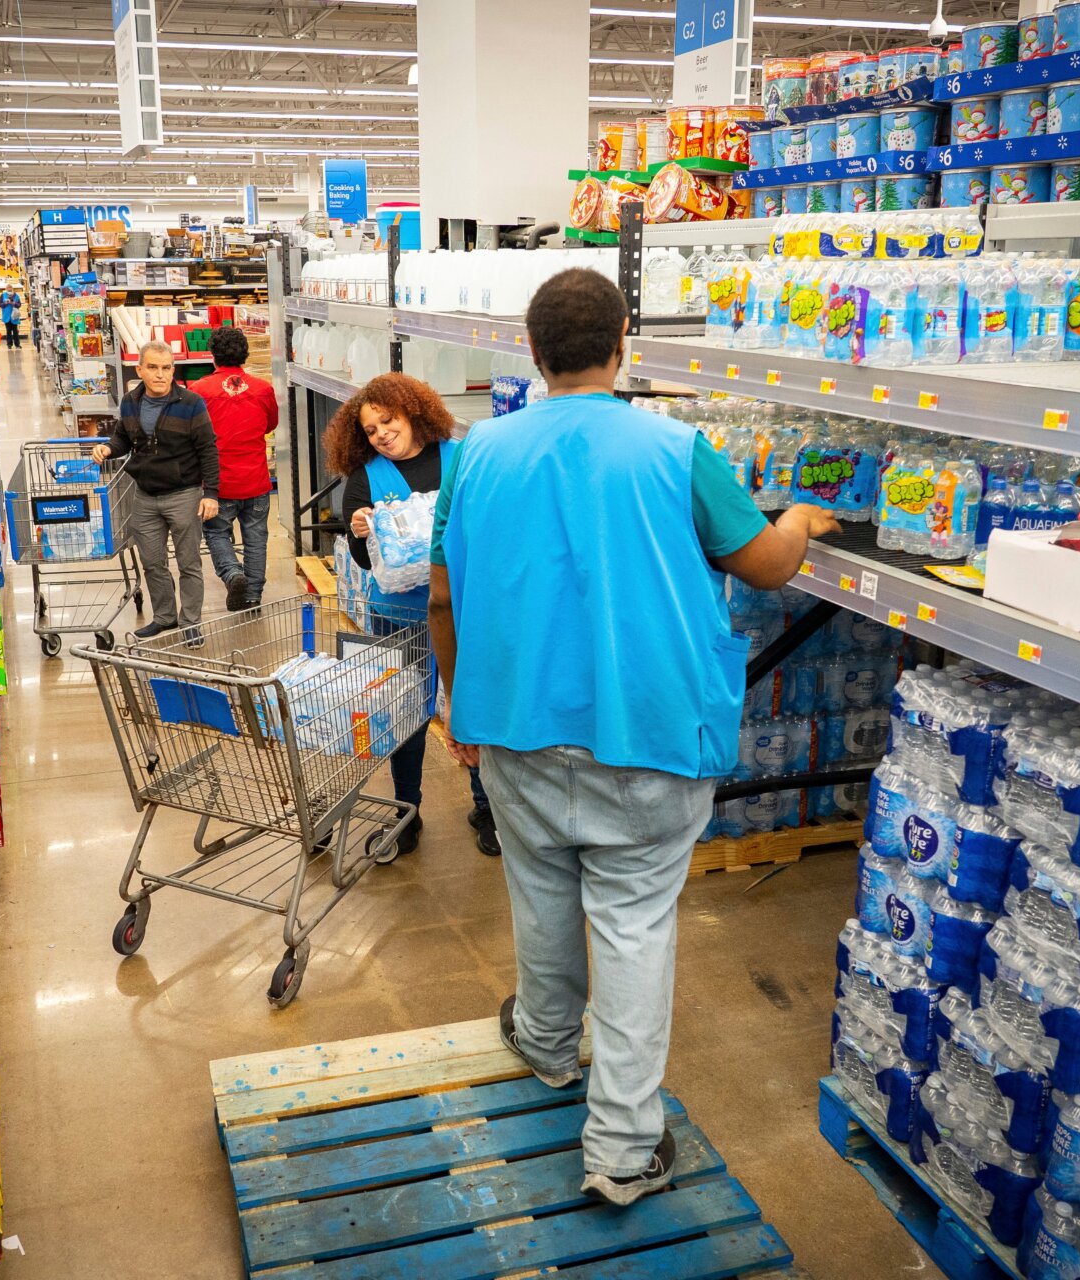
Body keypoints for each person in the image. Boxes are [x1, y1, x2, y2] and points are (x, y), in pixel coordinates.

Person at [429, 268, 840, 1205]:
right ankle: (619, 1149)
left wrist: (463, 704)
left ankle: (541, 1041)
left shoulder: (477, 454)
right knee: (634, 928)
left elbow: (445, 593)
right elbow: (768, 565)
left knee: (539, 891)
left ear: (531, 356)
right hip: (644, 733)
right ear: (625, 344)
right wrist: (803, 519)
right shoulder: (675, 447)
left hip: (518, 728)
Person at [327, 373, 499, 859]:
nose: (381, 433)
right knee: (406, 715)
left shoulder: (460, 457)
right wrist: (363, 532)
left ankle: (486, 807)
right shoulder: (364, 478)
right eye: (370, 429)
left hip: (467, 612)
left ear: (414, 413)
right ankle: (407, 811)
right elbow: (364, 564)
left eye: (388, 420)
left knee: (472, 707)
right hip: (399, 617)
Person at [91, 341, 219, 644]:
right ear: (140, 370)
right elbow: (124, 438)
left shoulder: (191, 403)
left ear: (173, 370)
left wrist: (210, 493)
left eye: (166, 368)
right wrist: (108, 447)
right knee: (152, 562)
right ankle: (164, 617)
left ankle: (190, 623)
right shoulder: (130, 402)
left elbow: (208, 450)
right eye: (152, 367)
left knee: (189, 563)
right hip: (145, 495)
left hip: (184, 494)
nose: (160, 375)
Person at [189, 326, 279, 611]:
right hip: (256, 480)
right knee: (256, 539)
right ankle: (252, 596)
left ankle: (232, 573)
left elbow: (193, 434)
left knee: (215, 532)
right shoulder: (263, 389)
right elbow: (270, 425)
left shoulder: (199, 391)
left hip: (219, 483)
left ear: (212, 356)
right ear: (245, 355)